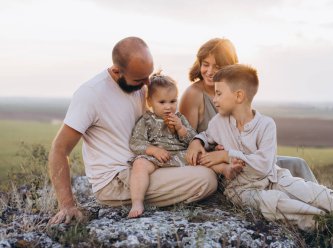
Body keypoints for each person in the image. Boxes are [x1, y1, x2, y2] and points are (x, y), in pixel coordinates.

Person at [186, 64, 333, 244]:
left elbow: (264, 164)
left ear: (238, 96)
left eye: (219, 93)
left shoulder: (266, 125)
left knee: (315, 193)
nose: (215, 99)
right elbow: (206, 136)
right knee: (283, 206)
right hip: (243, 190)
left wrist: (227, 154)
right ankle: (332, 228)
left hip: (273, 177)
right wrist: (197, 141)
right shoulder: (218, 123)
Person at [48, 37, 217, 225]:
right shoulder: (91, 94)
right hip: (116, 180)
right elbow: (59, 150)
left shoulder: (140, 86)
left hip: (146, 165)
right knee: (206, 179)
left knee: (205, 163)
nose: (147, 83)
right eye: (139, 79)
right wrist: (67, 205)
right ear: (116, 71)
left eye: (148, 75)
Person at [179, 38, 317, 182]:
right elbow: (185, 140)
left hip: (243, 156)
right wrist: (201, 145)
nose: (210, 71)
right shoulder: (193, 95)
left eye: (218, 67)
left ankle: (323, 197)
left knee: (297, 164)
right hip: (219, 164)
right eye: (205, 65)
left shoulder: (234, 92)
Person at [128, 72, 197, 218]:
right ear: (150, 102)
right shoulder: (147, 120)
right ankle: (137, 201)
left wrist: (180, 129)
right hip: (157, 158)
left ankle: (223, 169)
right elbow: (135, 142)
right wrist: (153, 150)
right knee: (139, 164)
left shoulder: (180, 118)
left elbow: (193, 140)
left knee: (200, 156)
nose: (168, 107)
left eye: (173, 101)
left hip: (179, 155)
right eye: (162, 102)